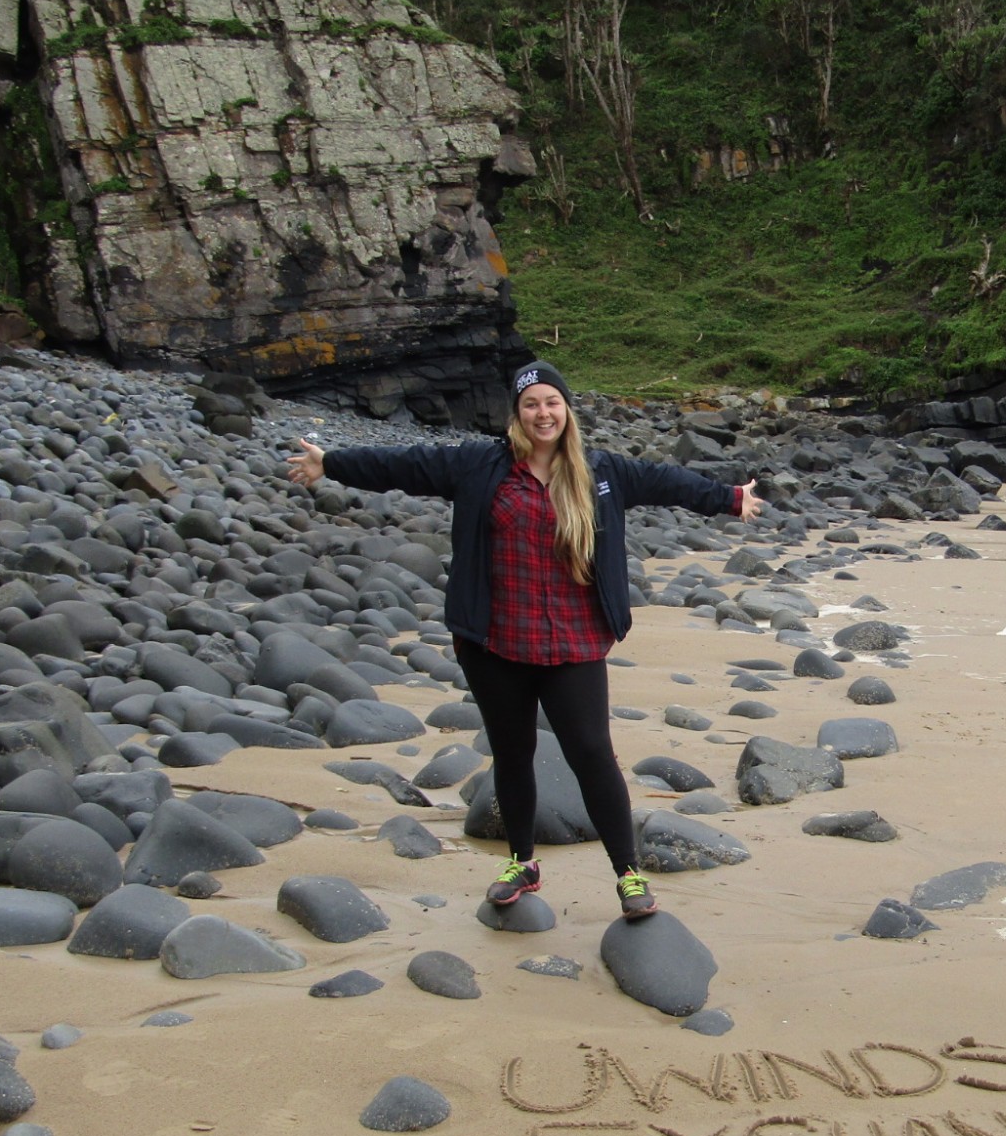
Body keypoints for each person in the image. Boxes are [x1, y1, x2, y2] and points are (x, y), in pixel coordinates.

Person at [286, 360, 764, 921]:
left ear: (566, 409)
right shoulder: (480, 465)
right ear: (517, 414)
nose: (543, 413)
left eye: (551, 402)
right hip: (497, 641)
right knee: (512, 754)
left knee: (591, 753)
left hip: (574, 641)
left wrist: (729, 498)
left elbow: (668, 482)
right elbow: (406, 464)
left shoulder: (600, 471)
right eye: (531, 404)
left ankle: (628, 874)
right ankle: (521, 863)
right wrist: (332, 462)